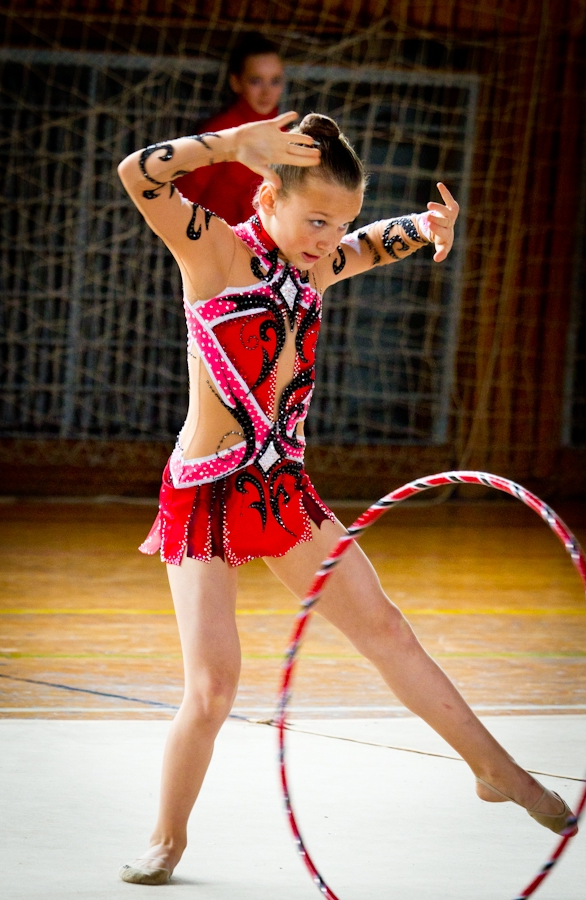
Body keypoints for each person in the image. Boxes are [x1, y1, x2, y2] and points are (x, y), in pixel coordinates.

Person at [116, 111, 577, 885]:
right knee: (214, 687)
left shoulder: (316, 264)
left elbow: (372, 243)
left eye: (341, 223)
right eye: (316, 220)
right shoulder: (215, 252)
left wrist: (426, 228)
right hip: (205, 496)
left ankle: (496, 770)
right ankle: (167, 837)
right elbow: (137, 174)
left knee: (387, 628)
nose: (330, 239)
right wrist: (231, 143)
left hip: (281, 490)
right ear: (269, 197)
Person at [172, 32, 285, 225]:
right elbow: (181, 199)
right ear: (236, 82)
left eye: (275, 81)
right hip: (215, 239)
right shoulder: (218, 132)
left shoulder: (286, 136)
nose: (267, 92)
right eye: (256, 81)